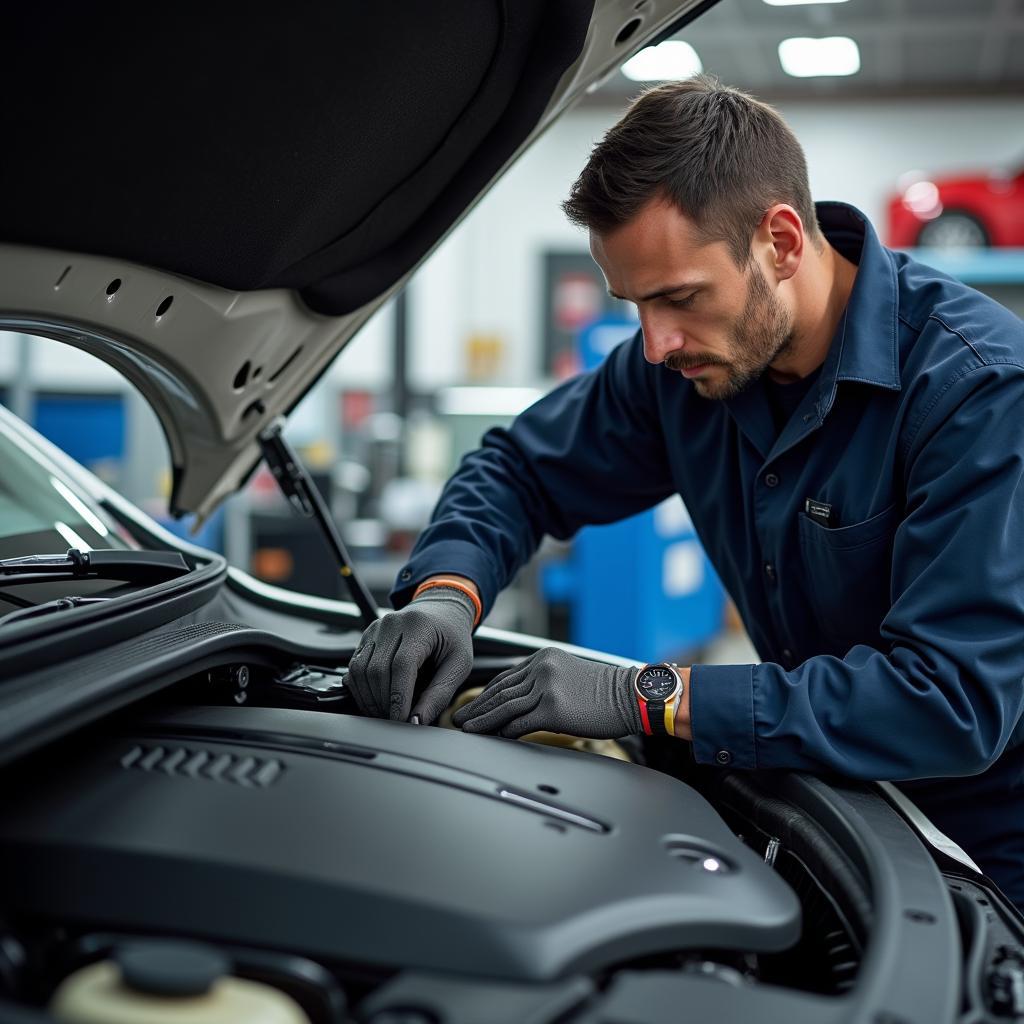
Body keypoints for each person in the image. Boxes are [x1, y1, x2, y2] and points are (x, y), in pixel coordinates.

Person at [347, 76, 1024, 908]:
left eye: (679, 298)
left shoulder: (977, 392)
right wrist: (447, 594)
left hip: (990, 844)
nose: (656, 343)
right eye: (635, 304)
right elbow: (519, 469)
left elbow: (949, 701)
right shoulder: (685, 362)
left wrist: (648, 696)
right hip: (830, 804)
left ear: (780, 241)